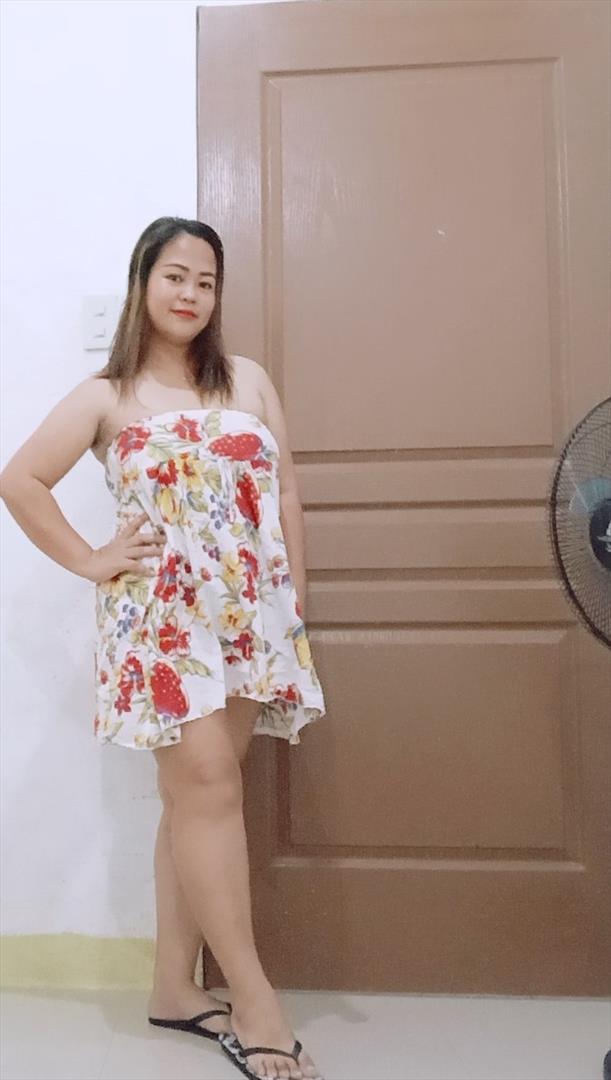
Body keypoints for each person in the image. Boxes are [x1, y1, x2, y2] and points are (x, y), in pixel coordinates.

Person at [0, 216, 326, 1080]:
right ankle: (254, 1000)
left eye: (206, 281)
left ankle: (174, 989)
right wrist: (92, 559)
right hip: (161, 623)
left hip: (249, 618)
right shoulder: (107, 395)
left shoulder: (247, 380)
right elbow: (19, 480)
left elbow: (285, 493)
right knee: (207, 787)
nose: (190, 293)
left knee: (197, 800)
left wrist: (292, 602)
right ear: (143, 281)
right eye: (175, 275)